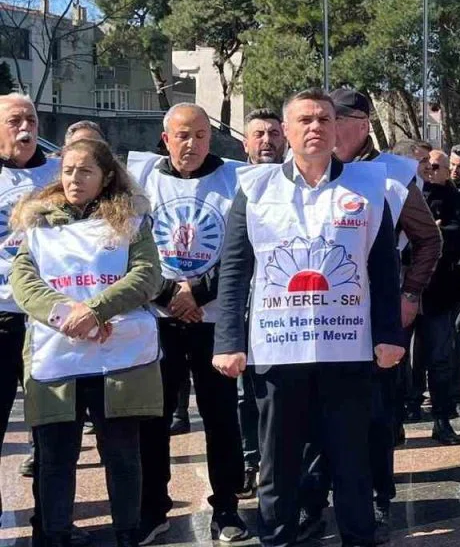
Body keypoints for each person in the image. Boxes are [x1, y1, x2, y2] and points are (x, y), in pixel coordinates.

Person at [212, 88, 405, 547]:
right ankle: (277, 538)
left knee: (351, 458)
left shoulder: (367, 187)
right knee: (278, 460)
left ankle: (358, 537)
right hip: (278, 349)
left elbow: (383, 267)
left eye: (324, 119)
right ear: (287, 131)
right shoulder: (255, 188)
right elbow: (235, 269)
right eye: (304, 120)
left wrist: (390, 334)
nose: (315, 127)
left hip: (349, 347)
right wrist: (228, 340)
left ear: (337, 129)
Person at [295, 88, 443, 541]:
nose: (325, 128)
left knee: (375, 415)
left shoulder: (392, 174)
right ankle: (311, 502)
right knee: (310, 413)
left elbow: (428, 240)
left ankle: (378, 499)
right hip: (315, 314)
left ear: (361, 124)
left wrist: (410, 293)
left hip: (373, 315)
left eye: (335, 119)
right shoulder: (305, 169)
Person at [12, 138, 162, 547]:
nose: (74, 179)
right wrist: (69, 316)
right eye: (68, 171)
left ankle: (127, 532)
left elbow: (147, 275)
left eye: (85, 171)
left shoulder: (131, 220)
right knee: (55, 455)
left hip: (118, 355)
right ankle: (56, 534)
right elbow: (24, 282)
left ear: (106, 176)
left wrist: (95, 311)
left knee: (122, 453)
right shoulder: (39, 223)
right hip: (58, 354)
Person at [132, 104, 250, 544]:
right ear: (166, 138)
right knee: (154, 418)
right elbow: (129, 247)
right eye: (183, 135)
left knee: (221, 418)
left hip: (214, 320)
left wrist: (196, 294)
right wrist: (169, 295)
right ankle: (153, 507)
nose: (192, 144)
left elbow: (243, 248)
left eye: (201, 135)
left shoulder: (235, 178)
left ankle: (227, 508)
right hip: (157, 320)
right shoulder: (142, 179)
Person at [0, 95, 62, 494]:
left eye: (32, 121)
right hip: (2, 315)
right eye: (14, 121)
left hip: (49, 319)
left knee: (52, 433)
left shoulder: (59, 174)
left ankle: (51, 521)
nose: (26, 129)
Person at [236, 108, 286, 498]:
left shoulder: (295, 183)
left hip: (287, 314)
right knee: (245, 395)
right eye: (259, 134)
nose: (267, 140)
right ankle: (250, 461)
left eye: (273, 133)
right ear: (245, 143)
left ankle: (283, 468)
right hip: (244, 309)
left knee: (281, 396)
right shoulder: (236, 184)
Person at [405, 148, 460, 446]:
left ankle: (442, 418)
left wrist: (435, 233)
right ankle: (404, 409)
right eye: (425, 164)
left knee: (440, 358)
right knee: (399, 356)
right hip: (405, 289)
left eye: (435, 166)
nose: (429, 169)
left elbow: (459, 237)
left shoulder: (458, 200)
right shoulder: (405, 194)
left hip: (440, 291)